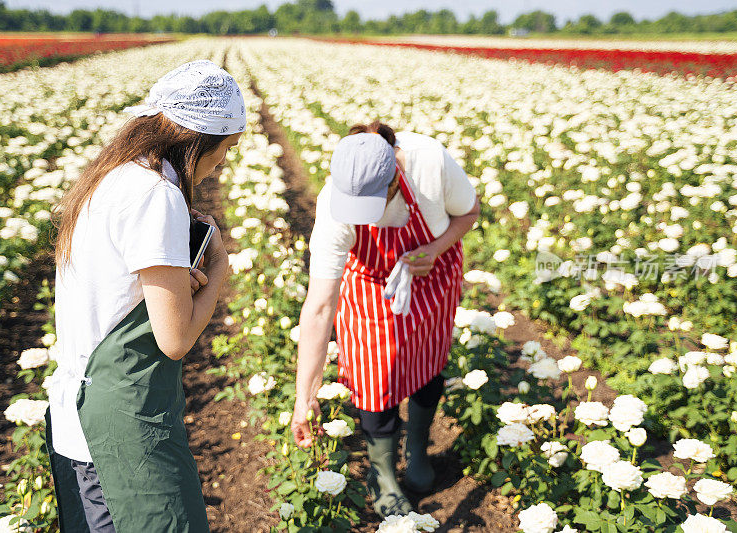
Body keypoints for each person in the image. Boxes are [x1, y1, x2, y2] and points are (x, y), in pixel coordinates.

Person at [46, 60, 247, 533]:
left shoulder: (115, 175)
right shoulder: (155, 195)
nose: (224, 162)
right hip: (119, 430)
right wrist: (218, 268)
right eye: (226, 149)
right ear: (199, 141)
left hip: (83, 415)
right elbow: (174, 339)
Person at [291, 122, 479, 517]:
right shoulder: (332, 207)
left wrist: (434, 247)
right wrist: (304, 395)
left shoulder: (430, 163)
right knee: (375, 380)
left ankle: (418, 450)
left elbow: (469, 213)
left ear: (395, 176)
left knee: (429, 363)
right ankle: (383, 473)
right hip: (369, 286)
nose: (364, 218)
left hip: (431, 273)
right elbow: (320, 305)